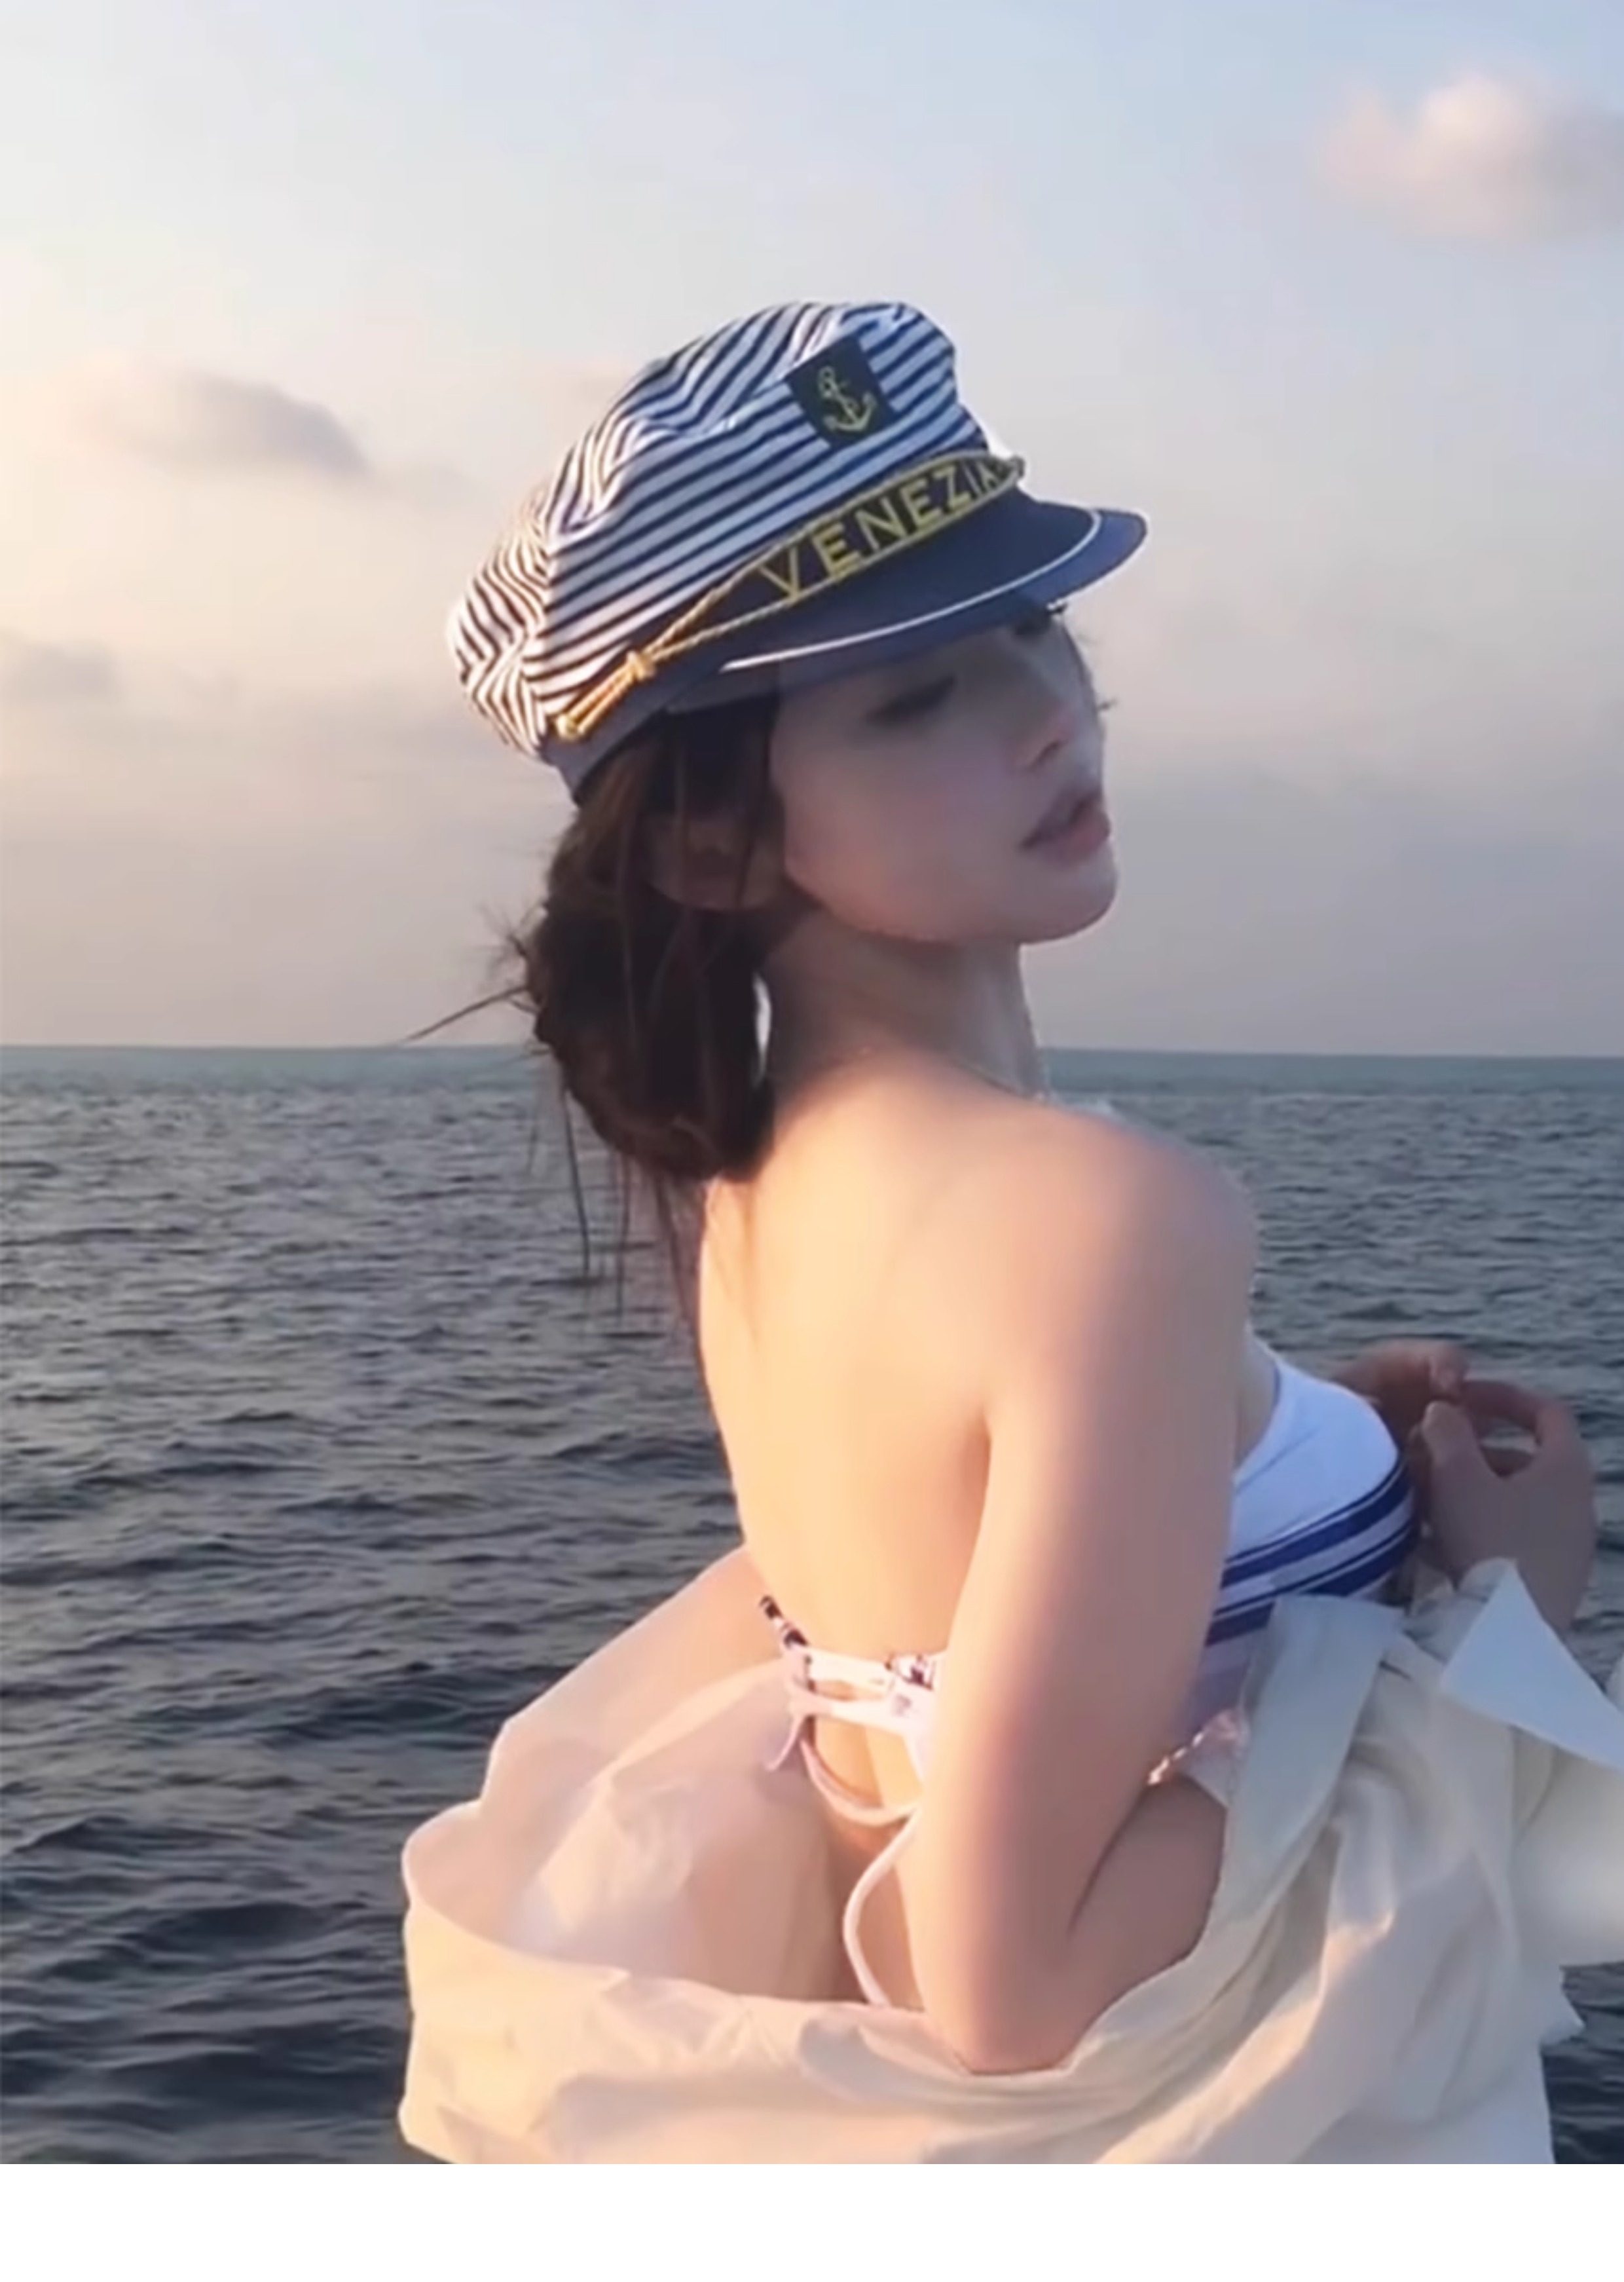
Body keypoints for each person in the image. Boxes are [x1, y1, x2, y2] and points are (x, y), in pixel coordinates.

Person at [398, 299, 1617, 2162]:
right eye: (916, 694)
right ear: (713, 846)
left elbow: (947, 1597)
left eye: (1032, 622)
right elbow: (1013, 1979)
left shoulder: (765, 1186)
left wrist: (1280, 1436)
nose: (1048, 707)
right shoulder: (1102, 1219)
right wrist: (1491, 1622)